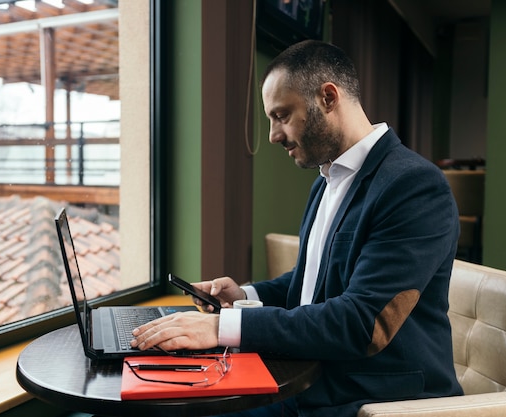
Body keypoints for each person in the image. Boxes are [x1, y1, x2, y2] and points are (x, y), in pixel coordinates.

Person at [131, 40, 463, 417]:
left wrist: (223, 327)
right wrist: (244, 293)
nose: (273, 135)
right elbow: (313, 283)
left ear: (328, 97)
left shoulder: (414, 185)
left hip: (371, 399)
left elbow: (361, 323)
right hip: (310, 378)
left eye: (281, 115)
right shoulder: (326, 180)